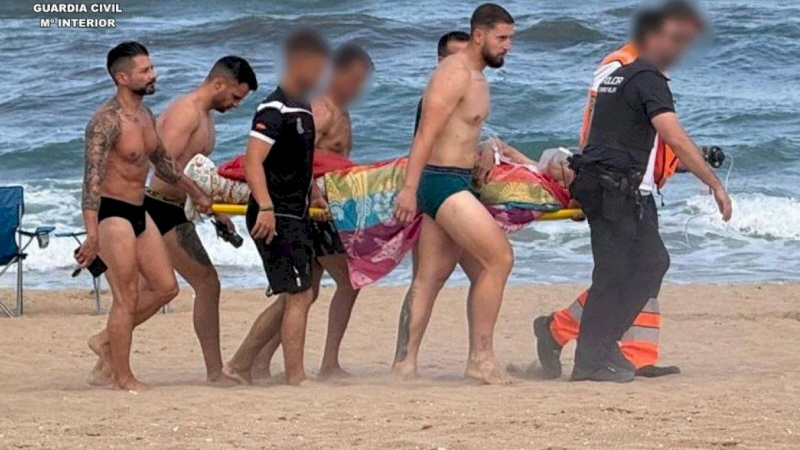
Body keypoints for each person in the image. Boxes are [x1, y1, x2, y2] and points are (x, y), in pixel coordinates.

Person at [567, 1, 732, 383]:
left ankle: (603, 346)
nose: (679, 49)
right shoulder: (647, 78)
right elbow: (672, 135)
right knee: (613, 275)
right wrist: (714, 183)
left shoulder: (620, 75)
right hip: (613, 187)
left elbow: (604, 132)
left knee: (651, 263)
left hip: (612, 185)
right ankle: (588, 362)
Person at [392, 3, 516, 385]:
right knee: (499, 259)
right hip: (441, 182)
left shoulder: (477, 77)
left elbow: (463, 132)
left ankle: (403, 365)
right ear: (479, 35)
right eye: (502, 38)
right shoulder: (453, 73)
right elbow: (425, 133)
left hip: (459, 180)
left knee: (430, 277)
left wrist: (487, 151)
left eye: (510, 38)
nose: (508, 46)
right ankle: (481, 359)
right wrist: (409, 189)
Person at [77, 41, 212, 391]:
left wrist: (197, 193)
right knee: (126, 297)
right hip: (111, 214)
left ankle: (105, 342)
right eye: (145, 70)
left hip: (139, 209)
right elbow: (91, 181)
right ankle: (122, 377)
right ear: (122, 77)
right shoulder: (105, 122)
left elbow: (165, 165)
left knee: (166, 288)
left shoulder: (146, 116)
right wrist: (91, 234)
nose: (153, 75)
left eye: (151, 68)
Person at [247, 43, 374, 380]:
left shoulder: (341, 110)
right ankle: (325, 364)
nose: (359, 87)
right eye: (355, 78)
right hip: (309, 210)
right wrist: (311, 196)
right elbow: (296, 158)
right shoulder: (321, 109)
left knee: (304, 292)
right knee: (340, 283)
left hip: (325, 208)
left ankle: (257, 361)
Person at [222, 30, 330, 386]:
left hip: (293, 211)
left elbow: (301, 161)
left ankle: (240, 364)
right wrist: (266, 207)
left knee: (297, 294)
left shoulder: (303, 106)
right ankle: (295, 377)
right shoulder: (274, 107)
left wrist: (314, 192)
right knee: (299, 294)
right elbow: (252, 161)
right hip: (275, 212)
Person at [144, 56, 257, 382]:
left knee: (148, 292)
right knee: (207, 283)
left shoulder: (204, 116)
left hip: (176, 208)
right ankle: (214, 372)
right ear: (219, 84)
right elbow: (162, 163)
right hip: (159, 208)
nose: (235, 105)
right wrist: (199, 195)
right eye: (235, 97)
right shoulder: (187, 112)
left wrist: (217, 212)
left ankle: (106, 354)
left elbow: (192, 171)